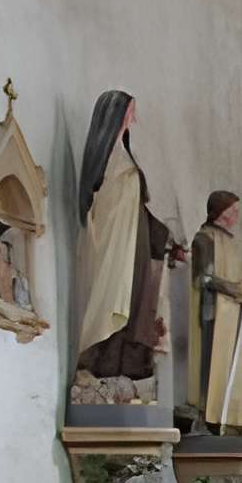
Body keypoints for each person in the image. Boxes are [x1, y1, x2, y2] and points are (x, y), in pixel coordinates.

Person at [74, 92, 182, 386]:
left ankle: (123, 371)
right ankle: (100, 366)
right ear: (118, 115)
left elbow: (138, 208)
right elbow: (101, 202)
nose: (134, 118)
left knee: (136, 301)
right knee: (112, 297)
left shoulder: (125, 156)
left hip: (134, 243)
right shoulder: (108, 159)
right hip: (113, 243)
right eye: (130, 111)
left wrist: (164, 238)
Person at [189, 190, 242, 432]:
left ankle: (227, 417)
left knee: (231, 367)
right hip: (213, 312)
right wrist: (232, 288)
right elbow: (204, 278)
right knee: (210, 365)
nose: (237, 215)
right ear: (220, 212)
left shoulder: (233, 243)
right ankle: (206, 416)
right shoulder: (204, 240)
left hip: (234, 313)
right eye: (233, 210)